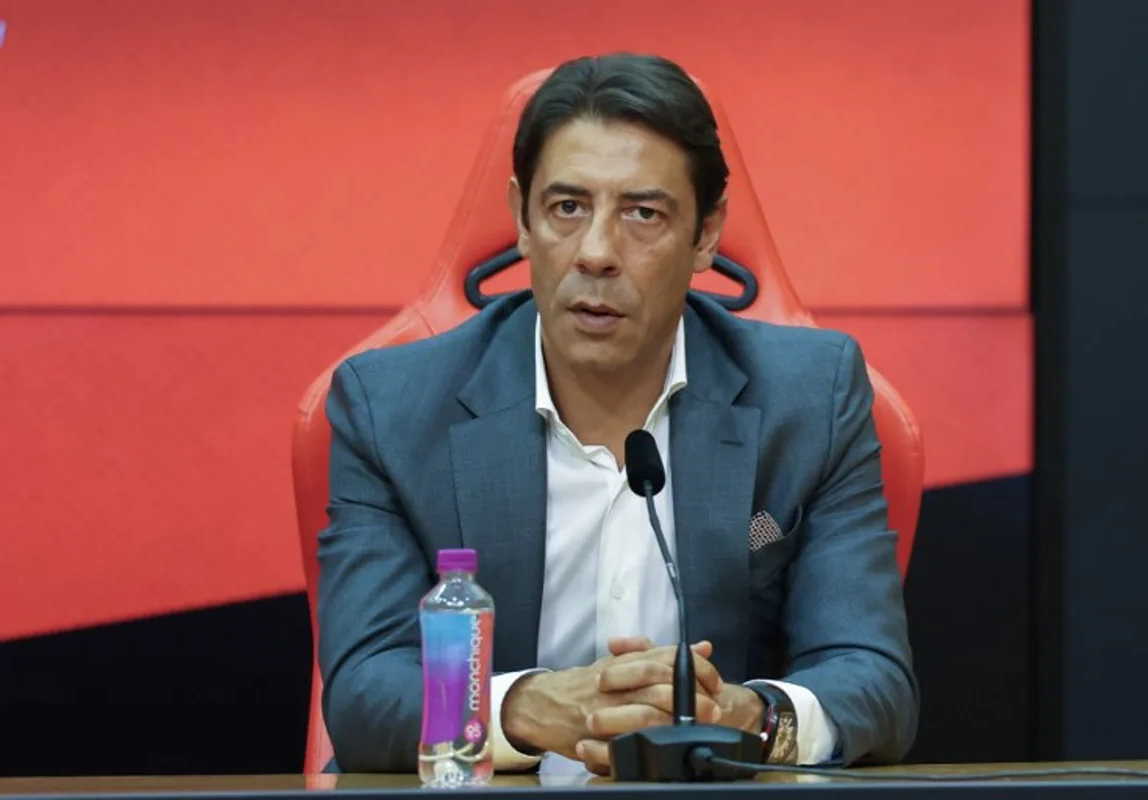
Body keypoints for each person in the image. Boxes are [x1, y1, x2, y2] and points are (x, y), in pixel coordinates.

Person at [316, 52, 918, 776]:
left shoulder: (809, 400)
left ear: (706, 235)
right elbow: (363, 692)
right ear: (520, 220)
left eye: (643, 214)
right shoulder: (391, 410)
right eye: (567, 208)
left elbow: (871, 676)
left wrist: (746, 718)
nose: (597, 252)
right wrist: (525, 707)